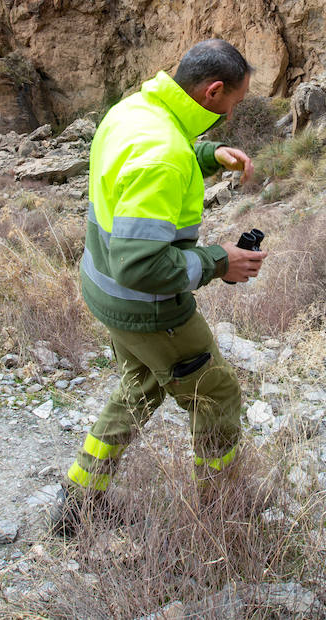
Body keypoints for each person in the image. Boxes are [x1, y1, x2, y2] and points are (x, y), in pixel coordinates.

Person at [51, 38, 267, 536]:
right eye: (232, 105)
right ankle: (222, 514)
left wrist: (211, 154)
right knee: (216, 396)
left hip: (103, 290)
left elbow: (160, 150)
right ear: (212, 92)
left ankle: (79, 502)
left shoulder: (136, 110)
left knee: (141, 387)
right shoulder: (163, 154)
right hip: (146, 308)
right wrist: (220, 261)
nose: (231, 117)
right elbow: (140, 265)